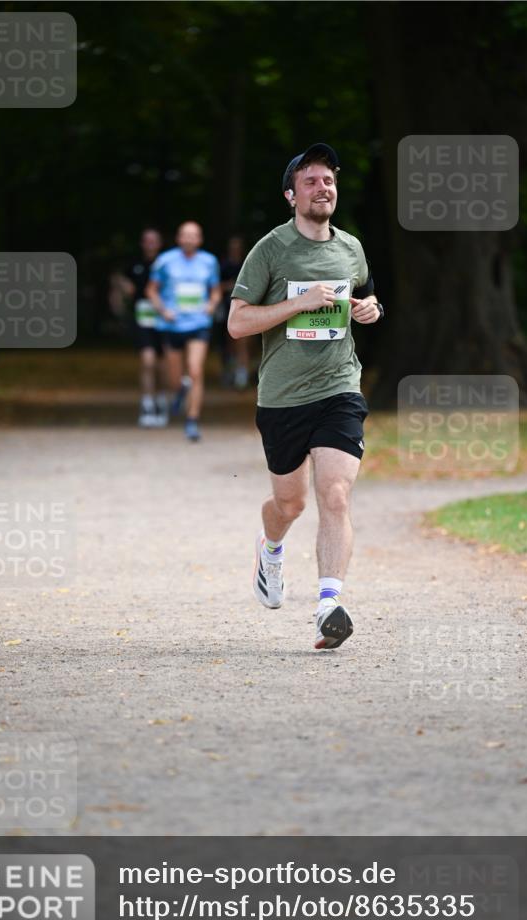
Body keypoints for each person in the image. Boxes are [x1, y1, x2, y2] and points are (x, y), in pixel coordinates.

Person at [228, 142, 383, 650]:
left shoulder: (351, 247)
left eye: (330, 180)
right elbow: (236, 323)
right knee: (288, 503)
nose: (324, 187)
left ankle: (328, 605)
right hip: (283, 397)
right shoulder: (271, 249)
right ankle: (270, 549)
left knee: (335, 493)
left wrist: (369, 310)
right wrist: (297, 306)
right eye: (312, 181)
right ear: (291, 194)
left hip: (339, 387)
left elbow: (367, 292)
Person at [147, 221, 222, 441]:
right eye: (185, 235)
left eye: (194, 235)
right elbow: (151, 290)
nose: (189, 239)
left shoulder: (209, 261)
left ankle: (192, 420)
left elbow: (216, 291)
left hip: (198, 323)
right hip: (172, 324)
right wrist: (163, 310)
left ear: (200, 239)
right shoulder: (165, 260)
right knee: (174, 379)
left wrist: (211, 305)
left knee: (196, 370)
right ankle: (181, 390)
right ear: (179, 238)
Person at [121, 228, 170, 428]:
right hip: (143, 319)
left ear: (159, 243)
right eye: (147, 241)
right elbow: (122, 283)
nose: (150, 244)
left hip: (165, 318)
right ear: (142, 243)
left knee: (164, 364)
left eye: (154, 241)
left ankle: (162, 400)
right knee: (148, 360)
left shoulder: (167, 264)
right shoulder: (134, 265)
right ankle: (147, 403)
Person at [218, 235, 251, 389]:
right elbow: (216, 287)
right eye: (233, 247)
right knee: (229, 343)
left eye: (238, 247)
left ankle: (242, 374)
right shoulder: (223, 266)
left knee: (243, 342)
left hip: (245, 309)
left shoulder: (248, 264)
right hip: (226, 308)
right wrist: (230, 286)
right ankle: (229, 371)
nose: (235, 249)